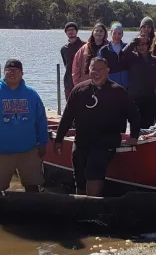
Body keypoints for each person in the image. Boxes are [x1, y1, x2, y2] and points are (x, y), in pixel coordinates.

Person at [54, 57, 140, 196]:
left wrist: (134, 136)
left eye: (100, 69)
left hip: (106, 141)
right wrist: (59, 139)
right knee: (79, 170)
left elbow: (134, 115)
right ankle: (80, 204)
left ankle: (92, 203)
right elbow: (67, 116)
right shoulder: (79, 90)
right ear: (89, 70)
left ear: (108, 71)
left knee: (94, 168)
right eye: (94, 69)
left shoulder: (118, 91)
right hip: (82, 139)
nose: (97, 72)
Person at [0, 59, 49, 192]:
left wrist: (43, 142)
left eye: (16, 70)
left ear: (22, 73)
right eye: (8, 70)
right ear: (4, 73)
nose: (12, 73)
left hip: (28, 151)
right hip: (1, 151)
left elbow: (41, 120)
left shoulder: (31, 95)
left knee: (33, 188)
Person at [122, 34, 156, 128]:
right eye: (139, 44)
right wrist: (134, 40)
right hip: (135, 97)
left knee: (148, 124)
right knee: (135, 124)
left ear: (148, 45)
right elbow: (123, 52)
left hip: (150, 98)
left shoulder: (155, 60)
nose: (141, 47)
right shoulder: (132, 58)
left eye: (144, 44)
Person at [98, 22, 129, 88]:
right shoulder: (103, 50)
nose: (117, 36)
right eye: (114, 33)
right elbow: (100, 68)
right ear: (110, 33)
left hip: (126, 86)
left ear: (122, 34)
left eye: (119, 33)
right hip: (110, 86)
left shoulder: (127, 47)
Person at [60, 22, 83, 101]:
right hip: (68, 81)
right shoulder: (64, 49)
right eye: (68, 30)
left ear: (76, 31)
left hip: (82, 80)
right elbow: (66, 64)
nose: (70, 31)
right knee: (70, 104)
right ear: (66, 32)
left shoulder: (84, 45)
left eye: (72, 29)